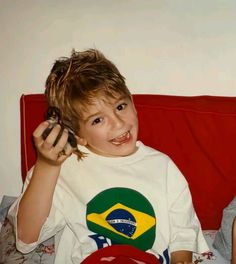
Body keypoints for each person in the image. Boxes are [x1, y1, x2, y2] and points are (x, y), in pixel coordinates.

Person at [8, 49, 208, 264]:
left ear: (132, 102)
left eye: (121, 107)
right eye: (97, 120)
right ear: (78, 135)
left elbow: (183, 233)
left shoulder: (162, 166)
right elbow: (26, 239)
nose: (118, 123)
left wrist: (181, 255)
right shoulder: (61, 169)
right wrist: (47, 166)